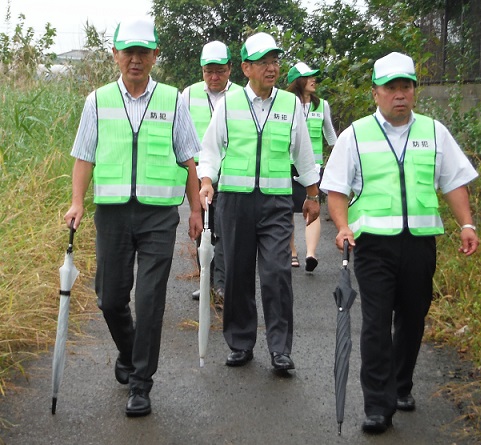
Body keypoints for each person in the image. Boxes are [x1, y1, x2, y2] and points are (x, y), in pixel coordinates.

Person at [320, 52, 480, 433]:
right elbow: (337, 189)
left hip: (420, 243)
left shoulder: (434, 131)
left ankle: (401, 384)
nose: (400, 94)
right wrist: (342, 227)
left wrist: (467, 224)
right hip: (372, 244)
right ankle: (378, 404)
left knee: (412, 317)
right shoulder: (355, 135)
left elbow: (454, 180)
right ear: (375, 92)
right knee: (375, 323)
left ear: (414, 91)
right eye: (391, 87)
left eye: (406, 86)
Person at [63, 16, 203, 417]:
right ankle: (129, 351)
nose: (135, 59)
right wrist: (76, 202)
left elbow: (188, 159)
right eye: (129, 52)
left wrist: (195, 209)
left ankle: (141, 384)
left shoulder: (173, 100)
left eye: (143, 52)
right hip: (112, 215)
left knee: (150, 299)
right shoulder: (98, 100)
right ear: (115, 55)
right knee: (110, 298)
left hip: (159, 216)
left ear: (155, 55)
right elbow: (84, 156)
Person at [197, 32, 320, 371]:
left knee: (277, 272)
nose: (272, 68)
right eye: (264, 62)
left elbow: (304, 154)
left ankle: (280, 348)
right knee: (236, 272)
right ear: (246, 68)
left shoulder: (289, 104)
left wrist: (312, 195)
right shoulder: (229, 105)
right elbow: (210, 149)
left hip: (276, 204)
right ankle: (240, 342)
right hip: (234, 202)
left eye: (275, 61)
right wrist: (207, 180)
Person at [182, 40, 241, 305]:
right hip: (197, 175)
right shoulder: (189, 94)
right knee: (202, 229)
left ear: (230, 69)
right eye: (208, 71)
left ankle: (222, 285)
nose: (214, 77)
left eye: (220, 70)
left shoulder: (241, 95)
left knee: (225, 232)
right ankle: (207, 282)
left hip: (230, 174)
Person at [286, 62, 337, 272]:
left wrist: (339, 158)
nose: (314, 80)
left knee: (312, 209)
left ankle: (310, 254)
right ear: (298, 81)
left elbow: (331, 136)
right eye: (309, 77)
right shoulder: (286, 104)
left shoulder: (322, 105)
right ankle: (292, 253)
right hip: (288, 165)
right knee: (286, 210)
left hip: (314, 168)